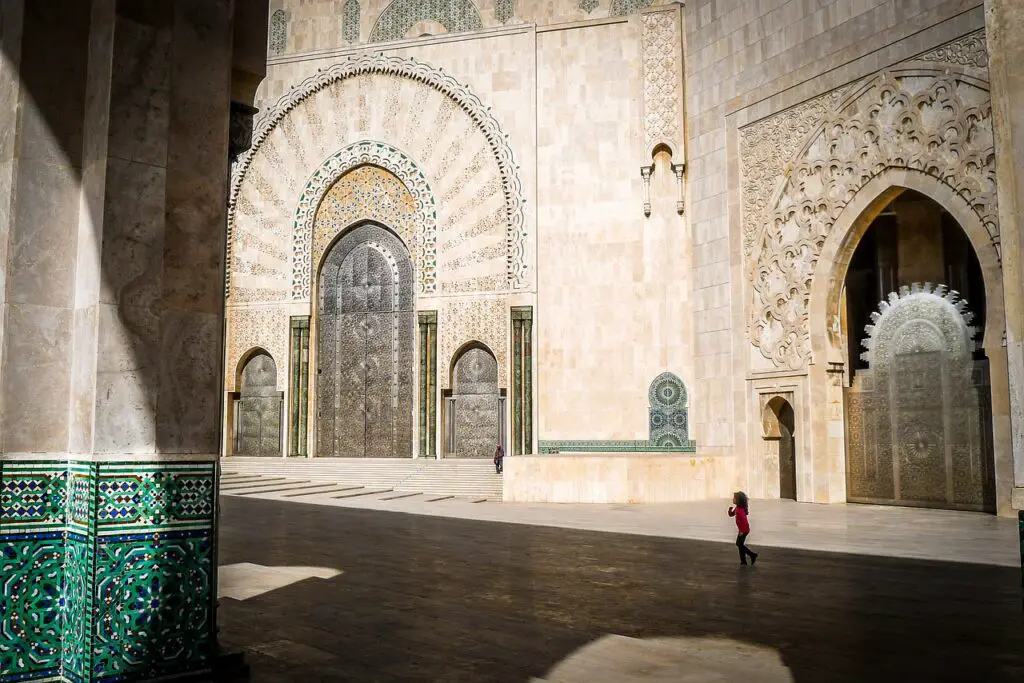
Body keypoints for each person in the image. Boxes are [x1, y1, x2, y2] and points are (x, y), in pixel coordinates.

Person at [728, 491, 758, 566]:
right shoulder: (738, 508)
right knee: (740, 545)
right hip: (742, 530)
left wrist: (741, 531)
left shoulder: (740, 510)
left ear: (738, 500)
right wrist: (730, 510)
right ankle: (743, 561)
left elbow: (744, 522)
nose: (733, 499)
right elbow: (731, 514)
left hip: (744, 530)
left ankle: (752, 555)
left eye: (734, 498)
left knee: (739, 544)